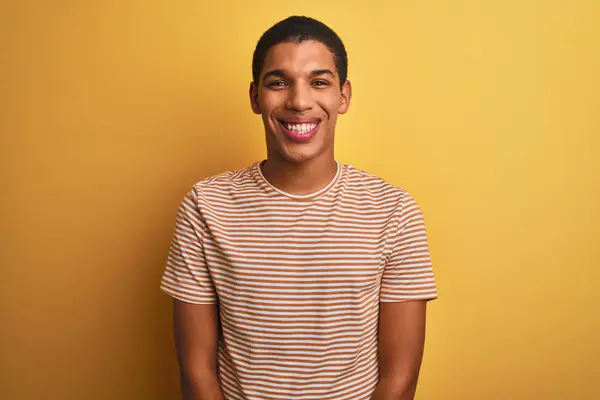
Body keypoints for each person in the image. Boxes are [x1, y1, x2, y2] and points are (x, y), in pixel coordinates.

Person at [160, 15, 438, 400]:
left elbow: (399, 378)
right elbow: (197, 373)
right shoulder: (205, 206)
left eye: (319, 82)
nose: (299, 101)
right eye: (278, 82)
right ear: (256, 96)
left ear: (343, 96)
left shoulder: (394, 211)